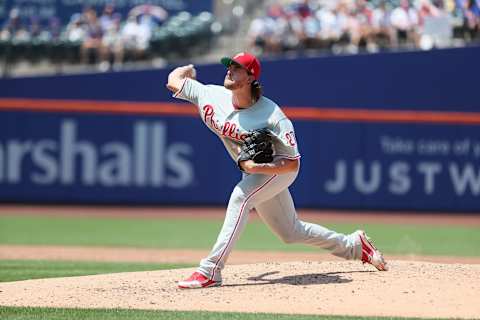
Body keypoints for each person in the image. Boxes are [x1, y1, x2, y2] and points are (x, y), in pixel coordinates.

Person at [166, 52, 388, 289]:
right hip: (254, 172)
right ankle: (355, 245)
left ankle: (210, 270)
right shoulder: (210, 94)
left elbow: (292, 163)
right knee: (290, 232)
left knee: (241, 197)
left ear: (251, 77)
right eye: (228, 66)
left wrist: (258, 166)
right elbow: (173, 79)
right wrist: (188, 68)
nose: (229, 70)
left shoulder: (273, 116)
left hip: (280, 168)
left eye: (237, 67)